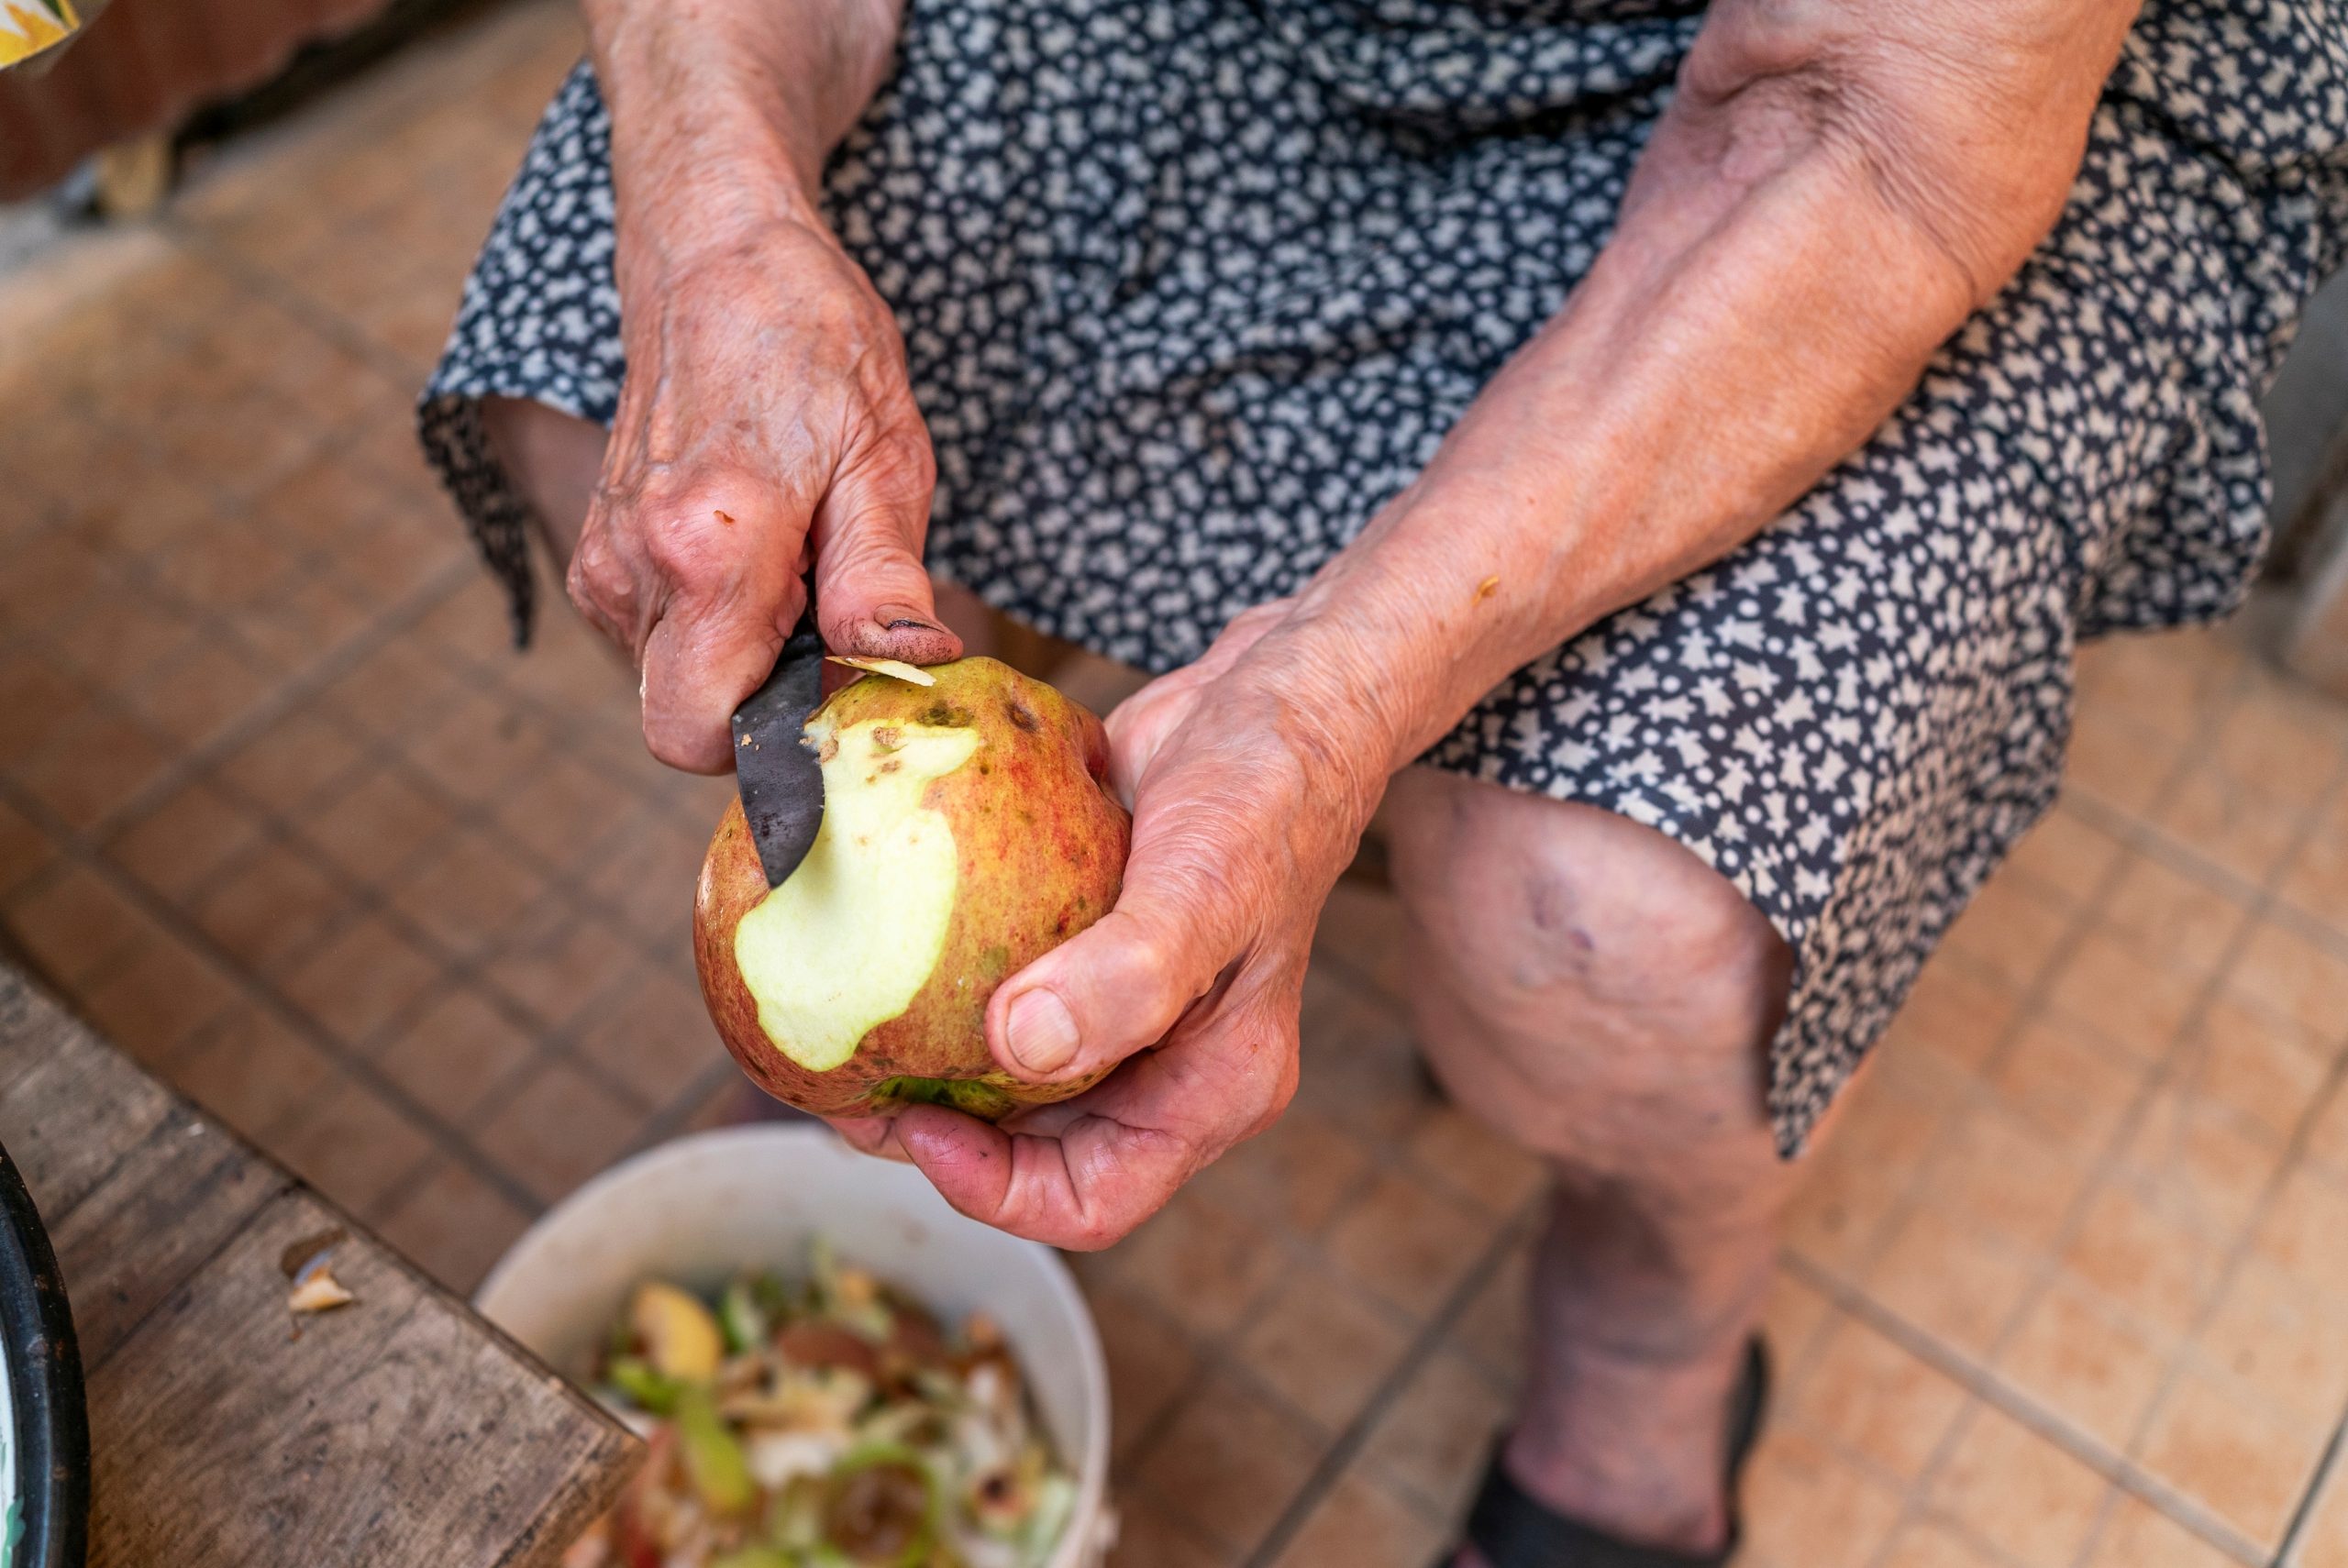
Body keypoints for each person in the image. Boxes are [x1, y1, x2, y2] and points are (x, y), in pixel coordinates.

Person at [417, 0, 2348, 1560]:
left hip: (1851, 146)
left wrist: (1336, 706)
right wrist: (724, 229)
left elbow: (1877, 131)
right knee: (606, 404)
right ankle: (994, 825)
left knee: (1611, 916)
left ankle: (1647, 1317)